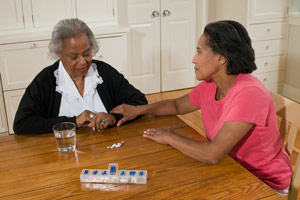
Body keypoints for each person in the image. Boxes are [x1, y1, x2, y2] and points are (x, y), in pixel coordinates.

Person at [111, 20, 292, 193]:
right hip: (230, 168)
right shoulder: (210, 84)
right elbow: (176, 105)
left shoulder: (249, 93)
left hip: (263, 182)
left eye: (199, 52)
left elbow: (213, 154)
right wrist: (139, 110)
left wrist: (169, 136)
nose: (194, 59)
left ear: (221, 58)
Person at [13, 18, 147, 134]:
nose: (83, 61)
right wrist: (73, 121)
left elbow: (139, 102)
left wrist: (113, 117)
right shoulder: (46, 80)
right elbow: (22, 123)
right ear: (59, 54)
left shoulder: (103, 72)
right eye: (74, 57)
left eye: (87, 53)